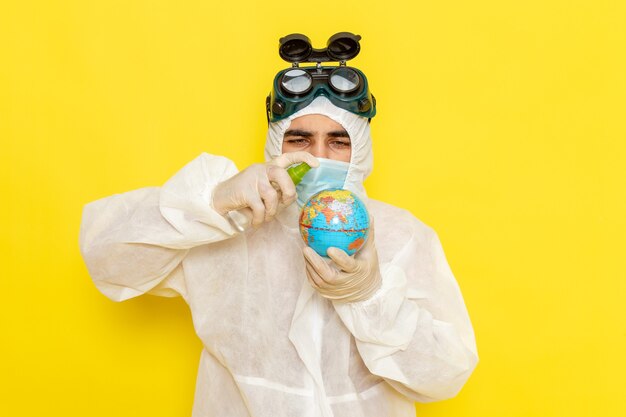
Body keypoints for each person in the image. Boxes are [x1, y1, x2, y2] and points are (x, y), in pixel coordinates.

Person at [79, 33, 478, 417]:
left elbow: (445, 377)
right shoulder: (227, 227)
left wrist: (370, 297)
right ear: (276, 146)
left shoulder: (401, 237)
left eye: (339, 142)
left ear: (361, 147)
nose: (319, 158)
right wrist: (212, 203)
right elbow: (108, 259)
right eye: (299, 140)